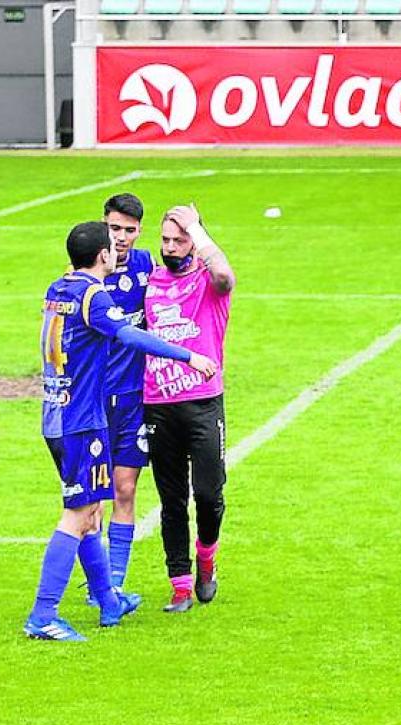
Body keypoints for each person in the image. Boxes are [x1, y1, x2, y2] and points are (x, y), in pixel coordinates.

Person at [28, 221, 215, 641]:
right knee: (78, 515)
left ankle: (109, 602)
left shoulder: (58, 288)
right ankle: (43, 615)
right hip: (81, 420)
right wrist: (189, 356)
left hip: (55, 414)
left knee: (92, 512)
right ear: (102, 256)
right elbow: (130, 335)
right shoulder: (94, 295)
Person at [142, 204, 236, 613]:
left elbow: (224, 275)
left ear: (196, 244)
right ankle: (180, 584)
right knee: (172, 499)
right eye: (165, 239)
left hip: (202, 403)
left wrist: (197, 230)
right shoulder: (151, 282)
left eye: (179, 240)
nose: (170, 247)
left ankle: (207, 555)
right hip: (158, 405)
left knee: (209, 494)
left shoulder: (208, 282)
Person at [98, 191, 157, 597]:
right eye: (114, 228)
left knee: (126, 488)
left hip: (134, 398)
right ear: (103, 225)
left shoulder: (146, 264)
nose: (120, 237)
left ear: (138, 232)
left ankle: (114, 584)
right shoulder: (86, 272)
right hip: (95, 401)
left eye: (128, 230)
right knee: (91, 498)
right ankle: (98, 582)